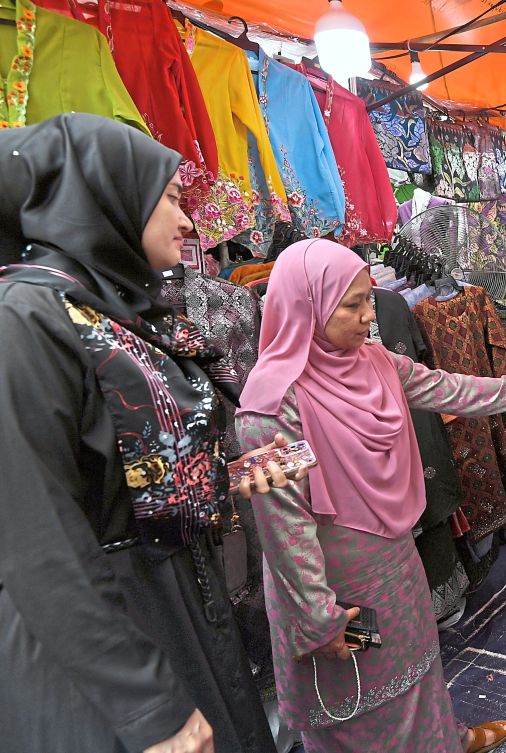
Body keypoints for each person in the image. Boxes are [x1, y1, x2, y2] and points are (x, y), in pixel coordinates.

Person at [0, 113, 300, 753]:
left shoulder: (112, 313)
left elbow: (118, 469)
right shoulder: (23, 320)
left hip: (179, 601)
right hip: (113, 629)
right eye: (169, 198)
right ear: (105, 198)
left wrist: (225, 475)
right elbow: (32, 531)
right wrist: (146, 705)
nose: (190, 222)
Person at [235, 238, 506, 753]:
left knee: (416, 669)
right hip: (335, 589)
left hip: (393, 556)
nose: (369, 316)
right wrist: (320, 618)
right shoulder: (269, 408)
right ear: (308, 306)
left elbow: (446, 388)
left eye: (369, 299)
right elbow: (284, 528)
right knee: (358, 703)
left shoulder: (374, 362)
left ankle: (441, 742)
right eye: (353, 304)